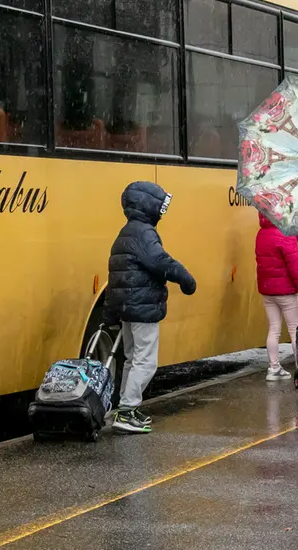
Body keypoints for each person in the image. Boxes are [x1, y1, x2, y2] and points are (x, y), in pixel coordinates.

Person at [103, 181, 197, 433]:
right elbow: (159, 261)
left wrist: (110, 312)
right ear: (149, 206)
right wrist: (185, 278)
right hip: (142, 308)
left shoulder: (126, 232)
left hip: (128, 308)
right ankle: (126, 411)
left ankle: (126, 408)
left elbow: (117, 276)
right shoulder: (143, 233)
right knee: (146, 361)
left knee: (133, 359)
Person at [255, 213, 298, 381]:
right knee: (295, 330)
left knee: (274, 328)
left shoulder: (262, 233)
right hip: (286, 291)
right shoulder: (285, 234)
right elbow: (295, 268)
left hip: (268, 290)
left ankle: (273, 368)